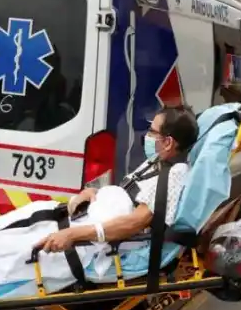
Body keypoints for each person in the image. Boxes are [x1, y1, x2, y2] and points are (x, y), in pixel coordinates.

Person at [36, 106, 199, 252]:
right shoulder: (156, 162)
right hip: (93, 218)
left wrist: (72, 234)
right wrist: (92, 194)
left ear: (168, 142)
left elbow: (135, 222)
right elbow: (127, 194)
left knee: (21, 245)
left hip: (105, 243)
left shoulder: (175, 174)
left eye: (152, 131)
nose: (147, 136)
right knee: (34, 215)